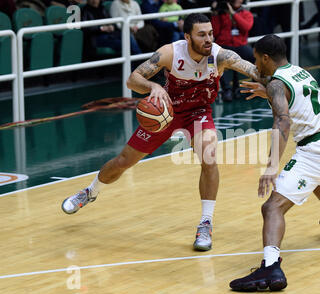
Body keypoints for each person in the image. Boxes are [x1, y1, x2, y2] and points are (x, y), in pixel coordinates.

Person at [61, 13, 266, 252]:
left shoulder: (221, 55)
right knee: (123, 161)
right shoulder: (170, 52)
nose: (208, 39)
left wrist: (269, 85)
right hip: (165, 113)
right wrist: (153, 85)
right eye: (202, 35)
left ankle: (205, 223)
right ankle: (90, 191)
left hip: (198, 112)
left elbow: (256, 71)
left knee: (209, 158)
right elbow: (132, 79)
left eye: (210, 33)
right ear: (187, 37)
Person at [229, 34, 320, 292]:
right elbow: (293, 97)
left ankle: (270, 267)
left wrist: (272, 167)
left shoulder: (277, 84)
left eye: (256, 60)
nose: (256, 65)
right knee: (313, 177)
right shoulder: (298, 71)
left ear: (265, 58)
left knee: (272, 207)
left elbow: (283, 122)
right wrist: (268, 91)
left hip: (317, 149)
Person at [211, 0, 254, 102]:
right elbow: (215, 32)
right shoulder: (221, 14)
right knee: (216, 58)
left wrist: (233, 14)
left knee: (256, 56)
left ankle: (255, 87)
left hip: (240, 46)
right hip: (224, 45)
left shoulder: (246, 13)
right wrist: (215, 14)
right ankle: (227, 90)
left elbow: (246, 27)